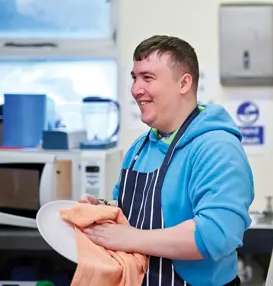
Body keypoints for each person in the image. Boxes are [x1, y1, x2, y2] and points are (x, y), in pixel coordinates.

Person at [78, 35, 255, 286]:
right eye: (134, 77)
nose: (136, 89)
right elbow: (131, 213)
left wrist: (129, 238)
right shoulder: (140, 148)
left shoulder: (217, 147)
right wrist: (104, 209)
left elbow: (215, 235)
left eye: (148, 78)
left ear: (183, 83)